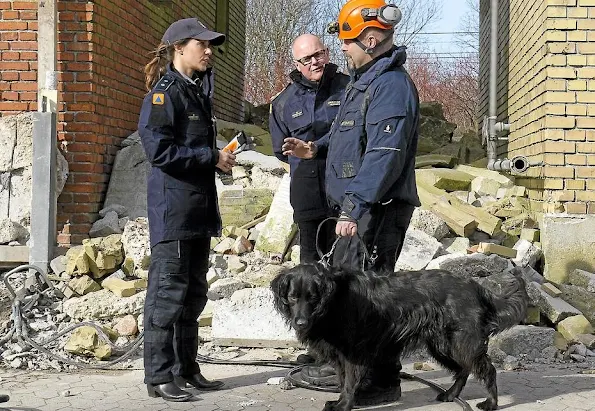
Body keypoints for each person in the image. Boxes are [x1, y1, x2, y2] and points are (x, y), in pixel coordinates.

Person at [282, 0, 421, 404]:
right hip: (359, 211)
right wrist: (314, 149)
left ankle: (376, 384)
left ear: (371, 38)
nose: (342, 49)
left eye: (346, 42)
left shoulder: (390, 86)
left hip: (374, 212)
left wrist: (354, 207)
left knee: (370, 301)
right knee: (353, 296)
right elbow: (349, 136)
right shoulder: (365, 81)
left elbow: (384, 153)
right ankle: (347, 372)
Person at [138, 17, 236, 402]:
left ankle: (186, 369)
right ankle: (159, 376)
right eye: (202, 45)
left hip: (196, 212)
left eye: (210, 45)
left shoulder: (196, 92)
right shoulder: (164, 95)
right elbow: (158, 151)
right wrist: (210, 156)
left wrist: (215, 158)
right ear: (179, 48)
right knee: (167, 295)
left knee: (193, 295)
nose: (209, 51)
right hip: (174, 213)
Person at [270, 34, 349, 264]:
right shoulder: (283, 102)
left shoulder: (349, 89)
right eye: (307, 59)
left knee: (345, 266)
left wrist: (316, 148)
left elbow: (354, 134)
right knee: (310, 268)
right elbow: (279, 149)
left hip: (344, 189)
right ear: (297, 65)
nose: (314, 62)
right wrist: (297, 151)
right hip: (306, 192)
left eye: (318, 54)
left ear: (327, 53)